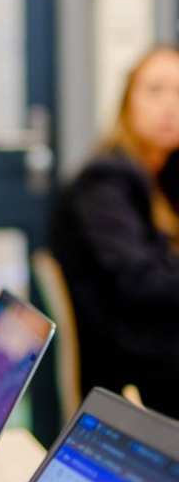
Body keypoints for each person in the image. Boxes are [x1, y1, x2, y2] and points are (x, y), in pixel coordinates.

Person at [50, 44, 179, 418]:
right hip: (128, 361)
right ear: (128, 103)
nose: (170, 106)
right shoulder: (105, 180)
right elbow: (138, 282)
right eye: (155, 90)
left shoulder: (165, 173)